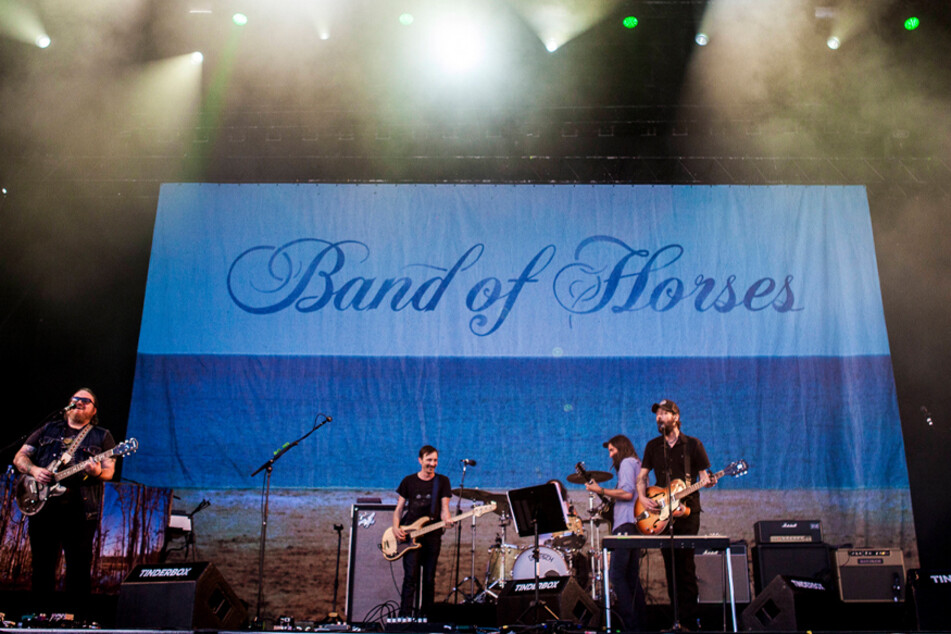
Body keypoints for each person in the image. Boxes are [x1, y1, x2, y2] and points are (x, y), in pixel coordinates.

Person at [12, 388, 116, 608]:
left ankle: (75, 619)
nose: (79, 402)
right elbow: (20, 457)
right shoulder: (48, 429)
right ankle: (39, 617)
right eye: (75, 399)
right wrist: (33, 471)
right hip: (43, 508)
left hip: (80, 510)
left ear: (94, 409)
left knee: (78, 566)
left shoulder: (102, 436)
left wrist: (96, 472)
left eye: (86, 400)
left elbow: (109, 471)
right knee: (42, 565)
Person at [636, 399, 716, 631]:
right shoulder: (653, 446)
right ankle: (676, 621)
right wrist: (642, 497)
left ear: (676, 417)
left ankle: (690, 623)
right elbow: (642, 477)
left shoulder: (693, 445)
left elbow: (703, 477)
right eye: (657, 414)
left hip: (688, 513)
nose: (659, 417)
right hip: (663, 513)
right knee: (670, 568)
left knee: (685, 568)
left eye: (664, 413)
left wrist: (708, 482)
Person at [586, 434, 647, 631]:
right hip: (636, 525)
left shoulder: (628, 463)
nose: (611, 455)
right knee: (631, 577)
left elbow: (627, 493)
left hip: (626, 525)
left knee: (617, 575)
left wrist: (600, 490)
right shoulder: (636, 463)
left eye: (612, 450)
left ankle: (630, 625)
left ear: (621, 448)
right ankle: (640, 624)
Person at [392, 445, 453, 617]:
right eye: (429, 460)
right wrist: (396, 528)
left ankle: (426, 617)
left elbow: (444, 508)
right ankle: (404, 617)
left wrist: (447, 519)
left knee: (428, 579)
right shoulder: (408, 481)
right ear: (420, 460)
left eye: (435, 460)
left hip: (432, 535)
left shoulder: (442, 481)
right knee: (410, 577)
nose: (432, 464)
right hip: (410, 533)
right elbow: (399, 509)